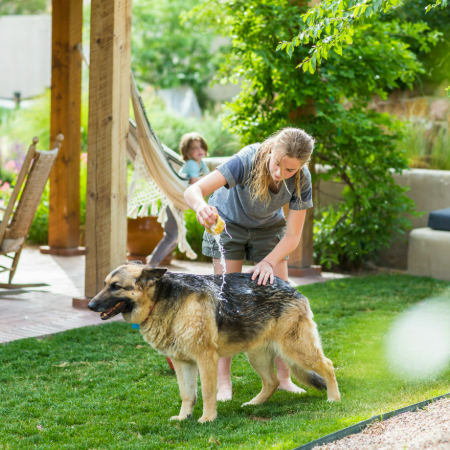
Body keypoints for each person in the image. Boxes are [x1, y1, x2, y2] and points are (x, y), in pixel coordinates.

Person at [184, 127, 314, 401]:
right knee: (225, 303)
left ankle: (285, 378)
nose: (280, 173)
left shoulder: (302, 179)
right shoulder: (246, 160)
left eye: (290, 170)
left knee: (280, 300)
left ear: (301, 166)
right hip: (228, 224)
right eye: (277, 163)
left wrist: (268, 262)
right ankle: (223, 383)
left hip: (269, 228)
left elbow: (292, 236)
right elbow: (194, 190)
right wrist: (201, 208)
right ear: (272, 150)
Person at [146, 132, 210, 267]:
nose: (199, 150)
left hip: (178, 203)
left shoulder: (201, 164)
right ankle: (151, 265)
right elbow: (195, 184)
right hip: (173, 201)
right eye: (194, 148)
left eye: (201, 147)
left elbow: (209, 178)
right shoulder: (192, 164)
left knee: (173, 237)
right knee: (171, 236)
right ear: (187, 152)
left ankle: (152, 260)